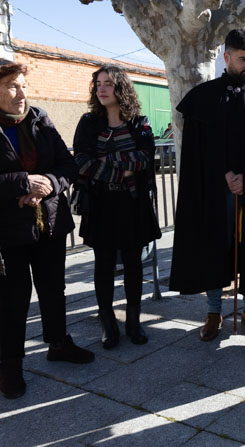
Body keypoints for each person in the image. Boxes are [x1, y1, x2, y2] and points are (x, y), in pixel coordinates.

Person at [169, 29, 245, 339]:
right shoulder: (203, 98)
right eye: (242, 59)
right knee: (213, 246)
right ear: (226, 57)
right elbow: (197, 152)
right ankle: (214, 312)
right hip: (214, 193)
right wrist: (224, 175)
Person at [0, 60, 94, 399]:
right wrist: (23, 183)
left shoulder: (39, 118)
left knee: (53, 289)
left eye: (23, 85)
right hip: (7, 232)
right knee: (12, 299)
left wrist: (48, 184)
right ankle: (10, 366)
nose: (21, 93)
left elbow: (68, 164)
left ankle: (58, 344)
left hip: (49, 223)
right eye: (12, 85)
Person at [73, 65, 161, 349]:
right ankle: (108, 323)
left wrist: (106, 162)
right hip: (101, 204)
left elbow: (146, 158)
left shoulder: (139, 122)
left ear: (121, 88)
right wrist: (122, 169)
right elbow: (81, 162)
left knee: (134, 263)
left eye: (108, 83)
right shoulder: (89, 122)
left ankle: (134, 321)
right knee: (104, 264)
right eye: (98, 83)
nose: (101, 89)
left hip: (132, 203)